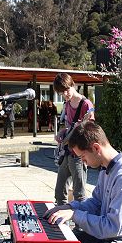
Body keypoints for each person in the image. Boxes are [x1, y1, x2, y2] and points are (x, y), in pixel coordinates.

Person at [53, 73, 94, 205]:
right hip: (66, 151)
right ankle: (59, 220)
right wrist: (61, 132)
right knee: (60, 191)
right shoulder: (68, 104)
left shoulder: (86, 104)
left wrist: (80, 127)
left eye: (66, 90)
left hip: (79, 154)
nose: (65, 94)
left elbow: (91, 130)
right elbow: (68, 127)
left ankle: (79, 226)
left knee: (79, 193)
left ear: (73, 85)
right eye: (61, 92)